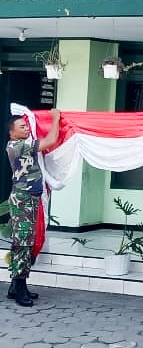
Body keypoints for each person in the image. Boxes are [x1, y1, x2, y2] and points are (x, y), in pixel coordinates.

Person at [6, 109, 61, 307]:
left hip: (30, 198)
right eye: (22, 127)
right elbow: (51, 139)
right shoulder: (18, 145)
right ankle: (19, 288)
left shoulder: (23, 143)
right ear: (12, 133)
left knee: (26, 241)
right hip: (22, 199)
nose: (26, 128)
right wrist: (55, 118)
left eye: (26, 125)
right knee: (23, 243)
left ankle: (16, 287)